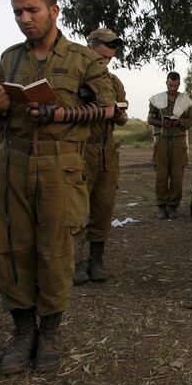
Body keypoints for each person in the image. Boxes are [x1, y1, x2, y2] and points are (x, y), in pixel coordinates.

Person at [0, 0, 116, 375]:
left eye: (32, 10)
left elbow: (108, 110)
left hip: (60, 166)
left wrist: (62, 113)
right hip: (13, 164)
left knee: (55, 251)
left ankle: (51, 331)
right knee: (12, 250)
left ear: (54, 11)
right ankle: (23, 332)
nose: (24, 18)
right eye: (18, 12)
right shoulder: (9, 59)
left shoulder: (82, 59)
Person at [72, 28, 129, 286]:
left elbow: (124, 116)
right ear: (90, 46)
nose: (108, 56)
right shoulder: (75, 77)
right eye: (104, 49)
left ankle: (96, 259)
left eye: (112, 52)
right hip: (81, 149)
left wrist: (119, 115)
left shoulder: (114, 82)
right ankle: (76, 262)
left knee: (103, 207)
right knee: (76, 208)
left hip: (107, 150)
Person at [147, 71, 192, 220]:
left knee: (177, 175)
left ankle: (173, 206)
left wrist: (180, 122)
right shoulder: (157, 99)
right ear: (166, 83)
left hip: (179, 141)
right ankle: (161, 206)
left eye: (175, 85)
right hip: (161, 140)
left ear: (179, 84)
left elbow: (191, 121)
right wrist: (162, 123)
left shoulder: (186, 101)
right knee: (161, 175)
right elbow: (150, 118)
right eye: (170, 85)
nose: (173, 88)